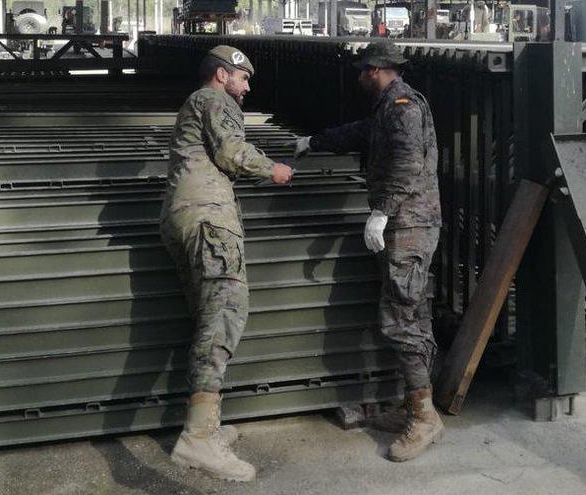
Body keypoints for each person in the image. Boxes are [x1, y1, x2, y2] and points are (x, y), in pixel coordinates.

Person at [293, 40, 442, 462]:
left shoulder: (402, 107)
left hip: (409, 224)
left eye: (362, 70)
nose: (359, 76)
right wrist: (315, 142)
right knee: (412, 314)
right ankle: (416, 403)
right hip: (405, 223)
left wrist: (381, 212)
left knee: (401, 320)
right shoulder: (386, 108)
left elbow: (408, 164)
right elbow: (360, 132)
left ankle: (425, 417)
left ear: (376, 69)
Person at [160, 45, 293, 481]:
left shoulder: (196, 104)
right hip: (209, 221)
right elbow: (231, 151)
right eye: (243, 78)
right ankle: (197, 439)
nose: (247, 88)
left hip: (188, 217)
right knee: (224, 316)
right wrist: (272, 168)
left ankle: (207, 426)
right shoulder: (214, 100)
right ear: (222, 74)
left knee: (207, 317)